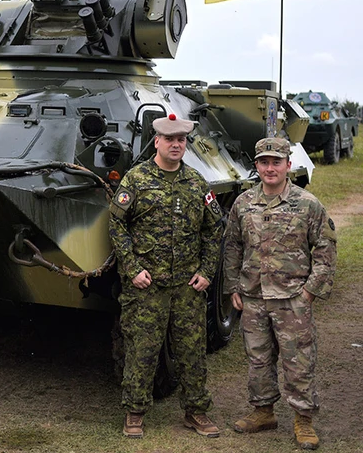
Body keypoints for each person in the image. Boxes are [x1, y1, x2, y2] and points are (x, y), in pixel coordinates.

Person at [108, 113, 222, 439]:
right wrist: (131, 269)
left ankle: (196, 411)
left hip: (188, 285)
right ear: (156, 141)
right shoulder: (136, 179)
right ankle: (134, 413)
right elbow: (117, 225)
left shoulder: (197, 183)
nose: (175, 145)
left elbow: (214, 229)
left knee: (192, 351)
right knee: (142, 349)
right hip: (147, 284)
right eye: (169, 139)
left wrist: (206, 271)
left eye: (181, 140)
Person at [224, 137, 337, 450]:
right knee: (258, 359)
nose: (270, 168)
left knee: (298, 361)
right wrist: (233, 285)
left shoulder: (307, 204)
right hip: (253, 296)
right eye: (264, 162)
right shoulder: (243, 203)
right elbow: (232, 245)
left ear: (289, 165)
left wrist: (310, 292)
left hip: (292, 298)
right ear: (256, 165)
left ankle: (303, 419)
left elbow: (325, 248)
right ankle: (263, 412)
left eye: (276, 162)